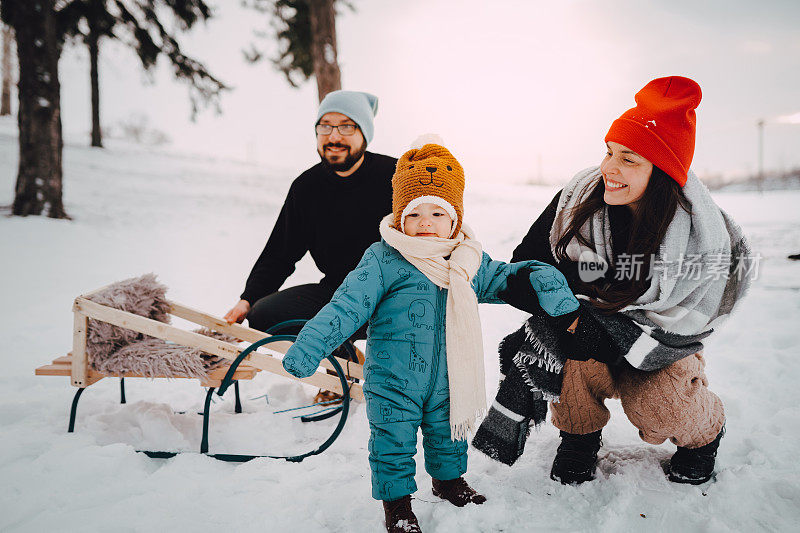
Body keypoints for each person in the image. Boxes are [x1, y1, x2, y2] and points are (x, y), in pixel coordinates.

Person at [281, 141, 576, 533]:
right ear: (399, 215)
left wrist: (541, 279)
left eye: (438, 212)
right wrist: (310, 345)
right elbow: (346, 306)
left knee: (448, 435)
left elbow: (505, 279)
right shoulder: (384, 259)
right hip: (393, 380)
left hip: (450, 376)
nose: (425, 222)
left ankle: (449, 481)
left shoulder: (466, 259)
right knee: (392, 443)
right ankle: (397, 504)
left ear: (454, 220)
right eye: (415, 213)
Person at [472, 76, 753, 486]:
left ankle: (704, 433)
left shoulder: (699, 236)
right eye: (609, 152)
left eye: (630, 159)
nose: (609, 169)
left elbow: (686, 317)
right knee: (565, 350)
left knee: (660, 405)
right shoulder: (580, 198)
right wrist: (568, 302)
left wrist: (588, 311)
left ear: (662, 173)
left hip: (658, 344)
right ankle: (579, 435)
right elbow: (527, 266)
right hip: (586, 328)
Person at [223, 90, 397, 401]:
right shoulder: (306, 188)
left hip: (393, 293)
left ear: (364, 133)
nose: (334, 136)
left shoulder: (395, 178)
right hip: (338, 291)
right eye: (325, 126)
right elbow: (280, 252)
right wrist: (247, 299)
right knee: (265, 316)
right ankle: (344, 361)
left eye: (346, 126)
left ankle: (394, 382)